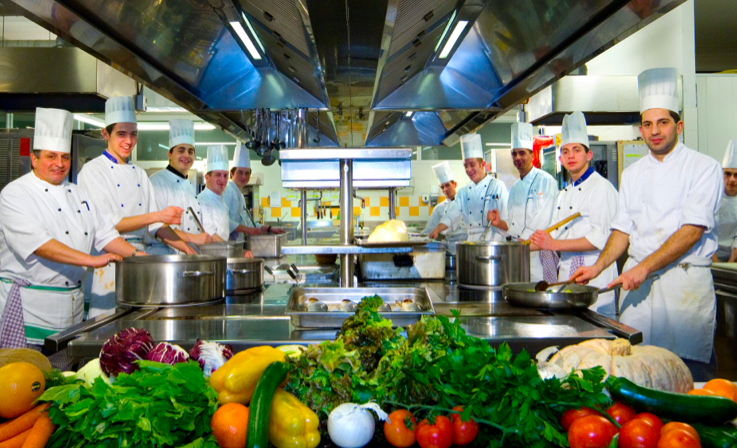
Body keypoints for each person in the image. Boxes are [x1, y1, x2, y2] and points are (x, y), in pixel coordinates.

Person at [572, 68, 723, 380]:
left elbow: (692, 231)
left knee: (687, 377)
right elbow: (622, 229)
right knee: (636, 373)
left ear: (679, 126)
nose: (655, 131)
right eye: (647, 124)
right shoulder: (632, 174)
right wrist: (598, 267)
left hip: (683, 288)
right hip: (638, 294)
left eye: (663, 122)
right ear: (640, 129)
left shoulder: (704, 168)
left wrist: (642, 268)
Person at [0, 108, 140, 349]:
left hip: (71, 315)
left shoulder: (78, 194)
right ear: (34, 159)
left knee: (65, 371)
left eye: (65, 157)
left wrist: (142, 258)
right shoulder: (15, 193)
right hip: (29, 314)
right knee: (25, 371)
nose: (59, 164)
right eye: (51, 156)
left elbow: (105, 234)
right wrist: (91, 260)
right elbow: (41, 245)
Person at [79, 96, 194, 318]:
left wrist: (187, 250)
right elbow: (110, 225)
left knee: (137, 325)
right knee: (109, 326)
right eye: (121, 134)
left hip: (139, 262)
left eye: (133, 134)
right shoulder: (93, 171)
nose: (129, 141)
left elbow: (157, 227)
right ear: (106, 134)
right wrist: (157, 216)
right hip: (109, 263)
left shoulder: (139, 174)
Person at [529, 112, 619, 318]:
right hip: (567, 276)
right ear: (560, 159)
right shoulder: (564, 194)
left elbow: (599, 239)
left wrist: (554, 244)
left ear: (589, 155)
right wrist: (517, 249)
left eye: (577, 150)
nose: (571, 156)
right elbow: (553, 234)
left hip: (594, 276)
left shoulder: (601, 188)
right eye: (566, 151)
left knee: (595, 333)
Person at [488, 122, 558, 282]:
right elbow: (514, 224)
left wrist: (520, 242)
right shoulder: (514, 188)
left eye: (522, 153)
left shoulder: (546, 181)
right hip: (518, 253)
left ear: (532, 155)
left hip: (537, 254)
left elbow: (543, 220)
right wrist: (500, 223)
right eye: (514, 154)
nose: (517, 158)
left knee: (537, 292)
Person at [149, 119, 220, 251]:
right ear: (170, 154)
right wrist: (194, 238)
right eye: (181, 150)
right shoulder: (156, 183)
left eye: (190, 151)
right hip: (164, 255)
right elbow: (158, 226)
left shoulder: (188, 187)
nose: (186, 155)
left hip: (189, 255)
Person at [429, 133, 508, 242]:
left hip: (493, 242)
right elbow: (451, 215)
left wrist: (498, 223)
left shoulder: (497, 186)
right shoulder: (463, 192)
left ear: (482, 164)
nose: (468, 170)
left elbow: (508, 222)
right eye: (465, 166)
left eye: (472, 164)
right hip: (471, 242)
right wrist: (437, 229)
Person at [197, 145, 255, 255]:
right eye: (218, 175)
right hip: (210, 257)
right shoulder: (202, 201)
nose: (222, 180)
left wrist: (238, 252)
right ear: (207, 177)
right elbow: (211, 236)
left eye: (225, 175)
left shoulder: (222, 203)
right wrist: (236, 251)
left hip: (223, 255)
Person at [222, 143, 284, 240]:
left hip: (238, 243)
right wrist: (247, 230)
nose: (244, 177)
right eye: (240, 172)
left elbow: (248, 223)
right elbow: (225, 221)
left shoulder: (240, 196)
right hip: (227, 243)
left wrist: (269, 228)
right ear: (232, 173)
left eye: (247, 173)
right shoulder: (227, 190)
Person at [422, 161, 467, 248]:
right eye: (442, 187)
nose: (445, 189)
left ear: (455, 184)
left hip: (468, 245)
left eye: (447, 185)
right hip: (450, 247)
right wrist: (414, 238)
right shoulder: (438, 209)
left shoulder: (465, 202)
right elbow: (428, 231)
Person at [715, 139, 737, 262]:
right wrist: (715, 264)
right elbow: (705, 231)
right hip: (709, 252)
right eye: (728, 174)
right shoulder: (712, 197)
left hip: (733, 254)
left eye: (736, 175)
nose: (732, 179)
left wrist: (729, 265)